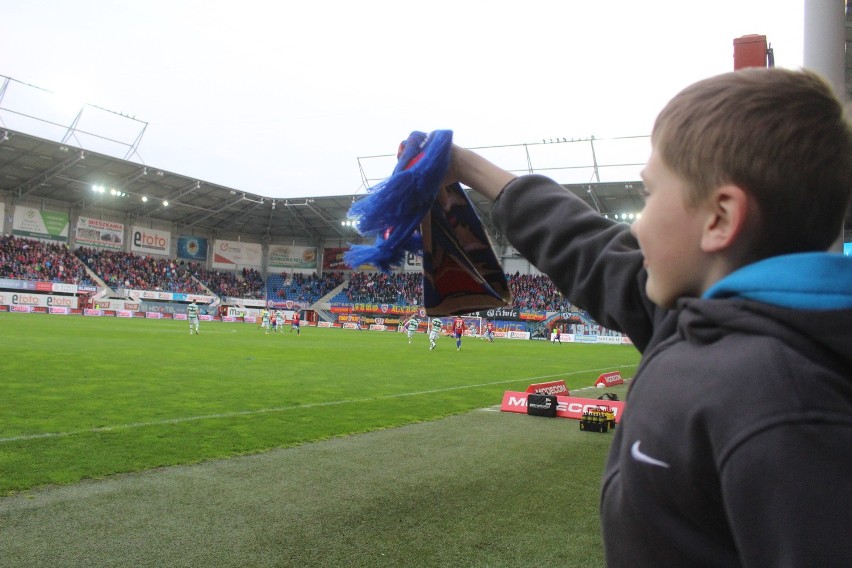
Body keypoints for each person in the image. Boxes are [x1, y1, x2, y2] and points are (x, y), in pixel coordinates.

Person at [443, 68, 852, 566]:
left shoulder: (786, 408)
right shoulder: (700, 316)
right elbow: (591, 251)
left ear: (720, 218)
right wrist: (467, 167)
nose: (636, 224)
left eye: (649, 195)